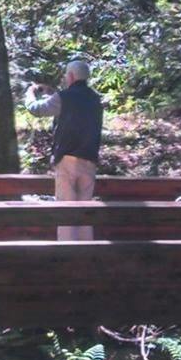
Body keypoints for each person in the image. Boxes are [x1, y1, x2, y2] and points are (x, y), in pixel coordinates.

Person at [25, 59, 105, 241]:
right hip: (89, 159)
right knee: (85, 211)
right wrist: (52, 93)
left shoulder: (64, 97)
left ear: (70, 76)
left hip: (67, 159)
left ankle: (67, 255)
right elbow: (74, 109)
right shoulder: (95, 99)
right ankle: (87, 253)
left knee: (66, 211)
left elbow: (37, 109)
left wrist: (30, 94)